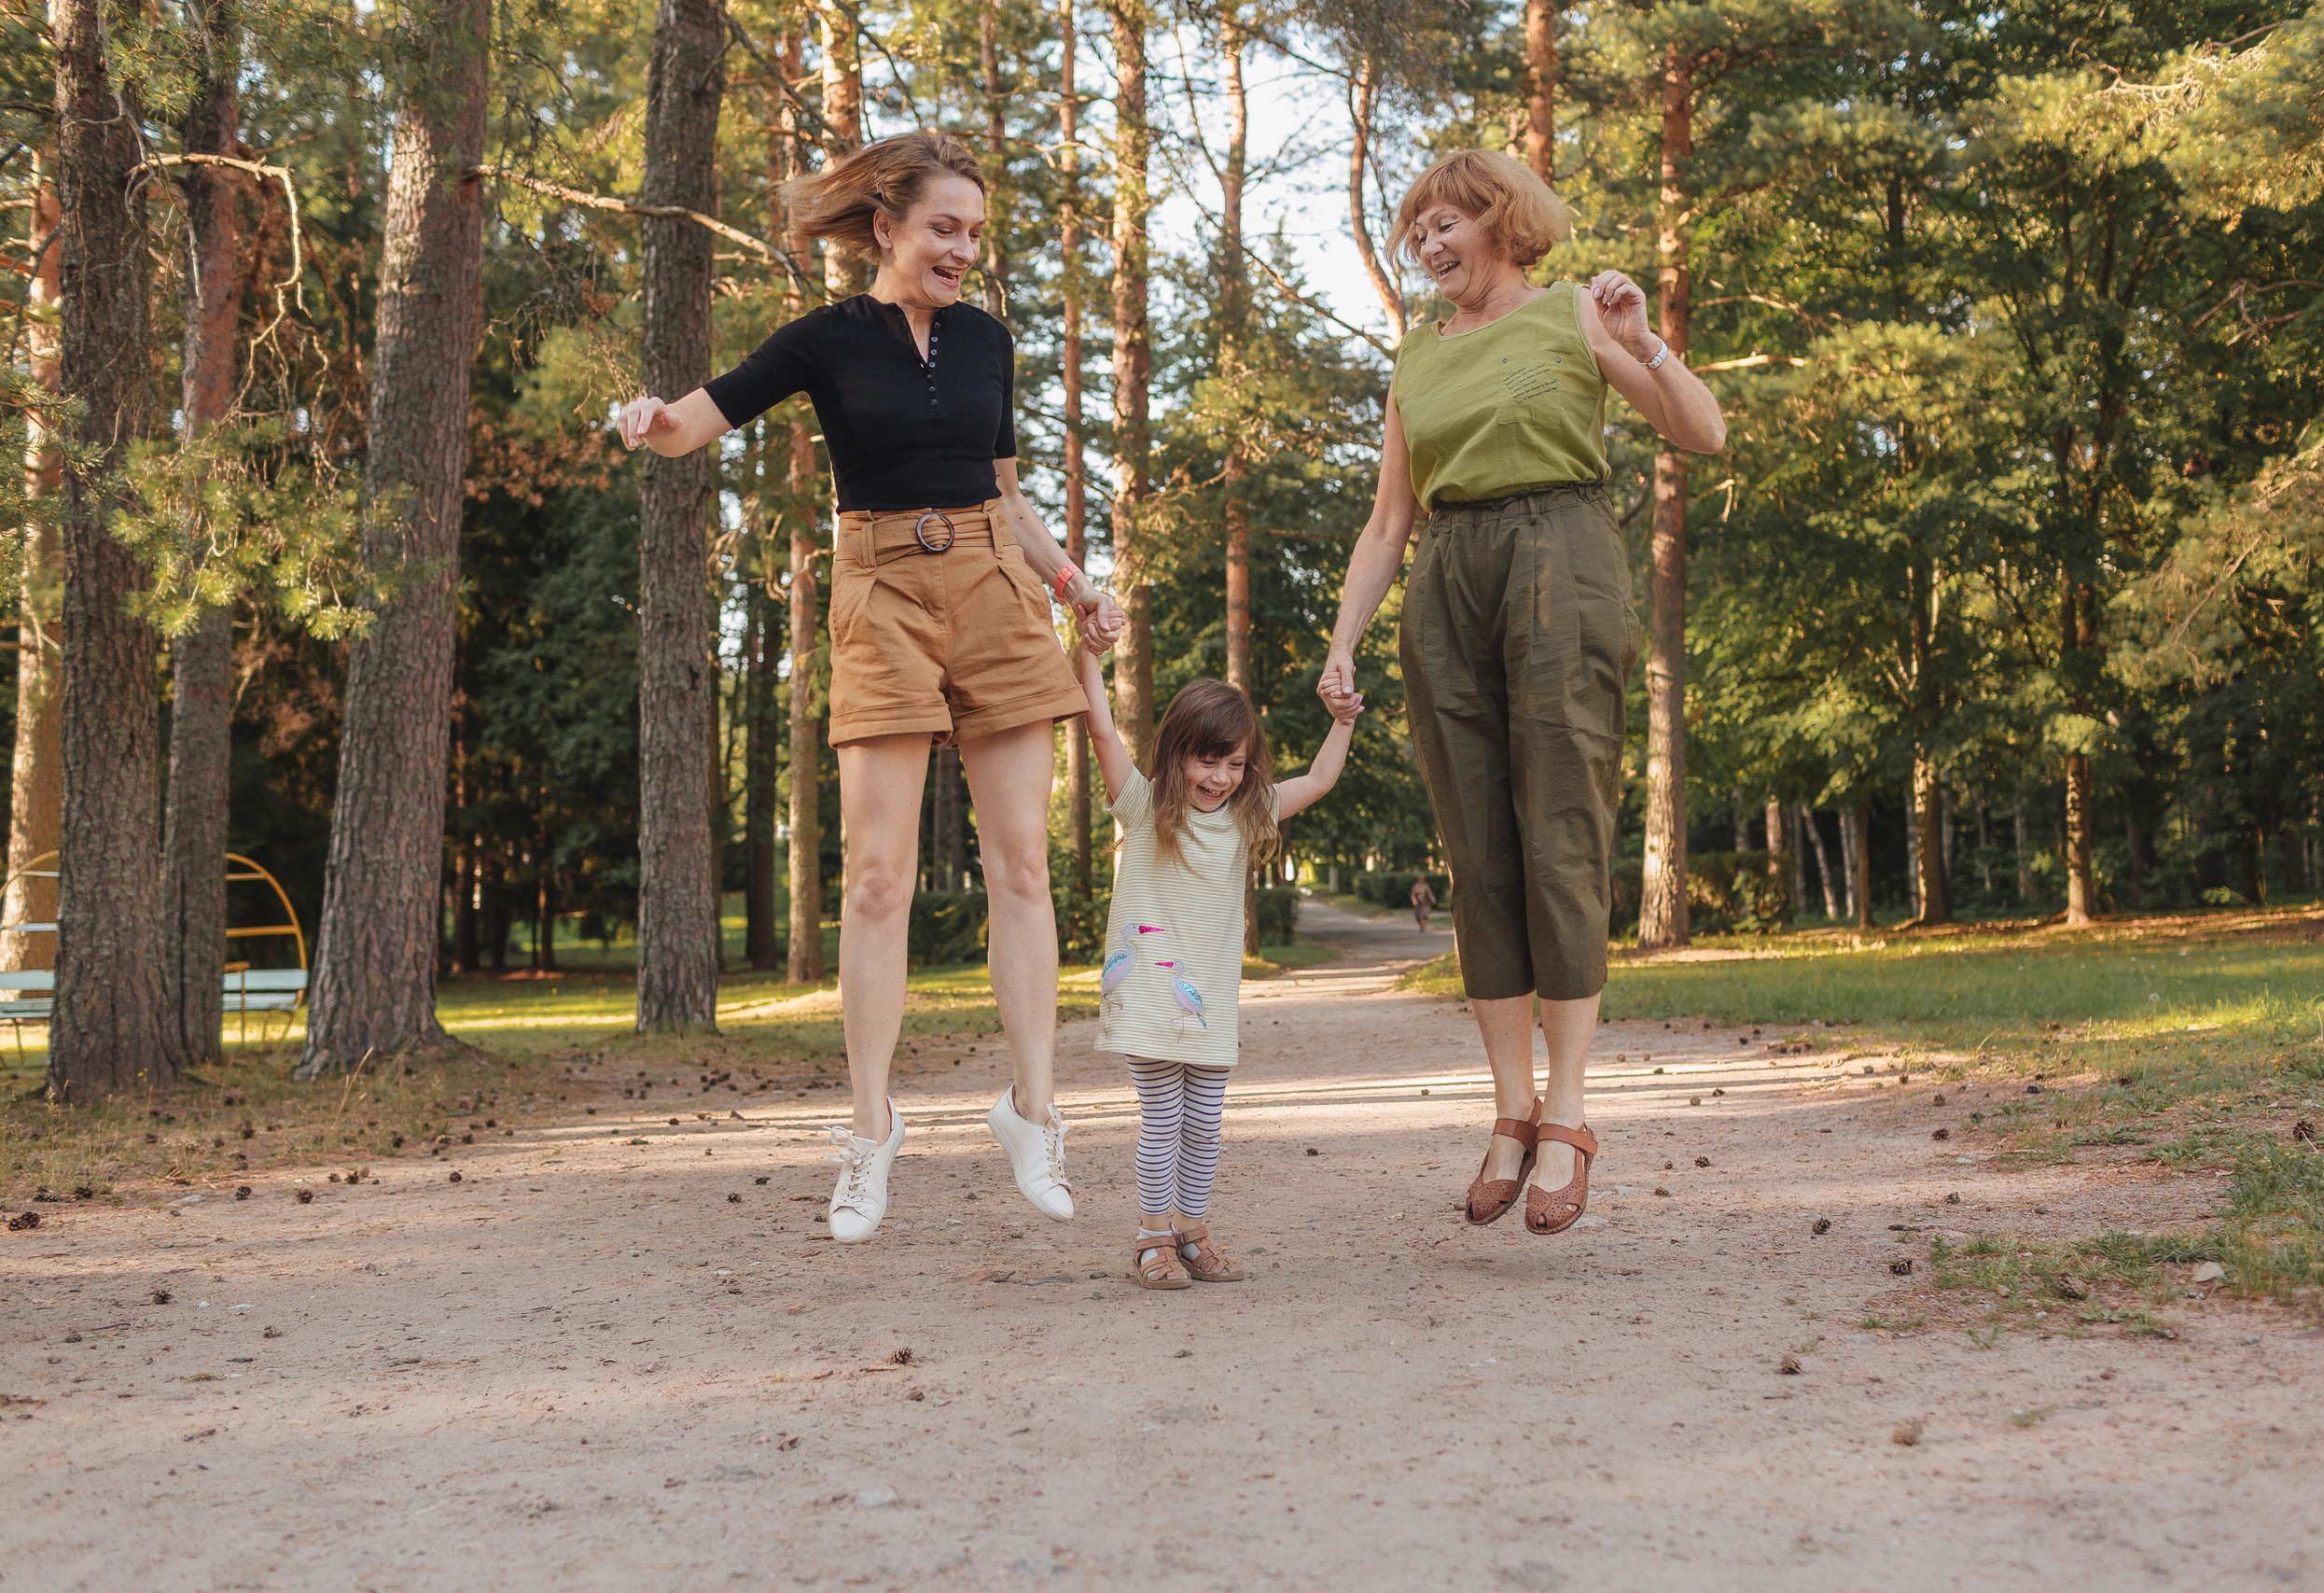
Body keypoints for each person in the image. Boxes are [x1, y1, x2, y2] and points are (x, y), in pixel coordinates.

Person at [615, 130, 1125, 1244]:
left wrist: (1076, 584)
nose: (962, 251)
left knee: (1023, 864)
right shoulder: (824, 339)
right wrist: (652, 426)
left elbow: (1007, 493)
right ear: (886, 228)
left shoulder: (990, 340)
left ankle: (1034, 1110)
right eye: (944, 228)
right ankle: (868, 1130)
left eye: (975, 234)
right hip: (880, 589)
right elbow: (697, 419)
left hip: (995, 584)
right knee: (880, 880)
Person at [1315, 149, 1725, 1237]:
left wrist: (1644, 344)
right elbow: (1388, 521)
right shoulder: (1413, 356)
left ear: (1500, 220)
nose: (1428, 247)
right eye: (1417, 234)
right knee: (1477, 852)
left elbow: (1701, 430)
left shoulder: (1573, 314)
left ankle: (1572, 1112)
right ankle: (1510, 1112)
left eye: (1444, 223)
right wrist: (1344, 640)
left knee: (1561, 831)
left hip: (1563, 558)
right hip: (1448, 578)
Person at [1075, 644, 1359, 1289]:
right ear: (1175, 751)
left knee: (1204, 1121)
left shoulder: (1245, 817)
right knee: (1165, 1116)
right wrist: (1089, 655)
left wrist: (1342, 721)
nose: (1221, 777)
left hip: (1208, 1000)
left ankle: (1191, 1230)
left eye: (1235, 763)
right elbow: (1098, 727)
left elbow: (1316, 781)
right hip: (1150, 993)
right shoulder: (1144, 809)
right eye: (1208, 759)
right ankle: (1152, 1237)